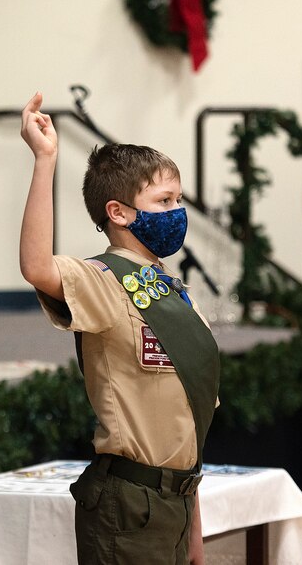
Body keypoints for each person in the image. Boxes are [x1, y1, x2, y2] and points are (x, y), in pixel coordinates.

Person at [18, 91, 219, 565]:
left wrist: (193, 523)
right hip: (128, 504)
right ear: (119, 212)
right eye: (163, 200)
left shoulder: (177, 293)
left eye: (178, 199)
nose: (176, 211)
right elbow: (36, 266)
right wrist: (45, 160)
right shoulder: (105, 281)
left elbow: (185, 425)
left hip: (176, 502)